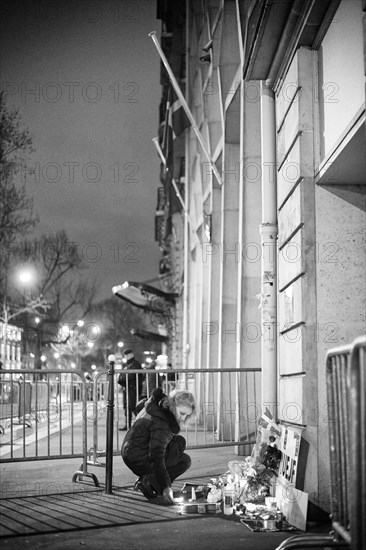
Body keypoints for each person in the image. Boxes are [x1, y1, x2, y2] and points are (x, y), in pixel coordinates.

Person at [121, 386, 196, 504]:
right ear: (173, 404)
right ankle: (149, 483)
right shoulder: (163, 422)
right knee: (185, 460)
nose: (183, 418)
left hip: (130, 448)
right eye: (182, 413)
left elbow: (139, 407)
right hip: (137, 457)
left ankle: (150, 480)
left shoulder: (158, 404)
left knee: (179, 442)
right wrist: (165, 486)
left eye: (187, 415)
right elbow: (156, 455)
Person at [117, 348, 143, 429]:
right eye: (126, 355)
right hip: (127, 388)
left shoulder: (135, 364)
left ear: (132, 354)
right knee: (126, 406)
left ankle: (142, 423)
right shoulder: (127, 365)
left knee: (133, 406)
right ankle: (127, 424)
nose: (127, 357)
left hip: (133, 388)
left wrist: (122, 379)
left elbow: (131, 376)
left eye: (128, 355)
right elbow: (123, 375)